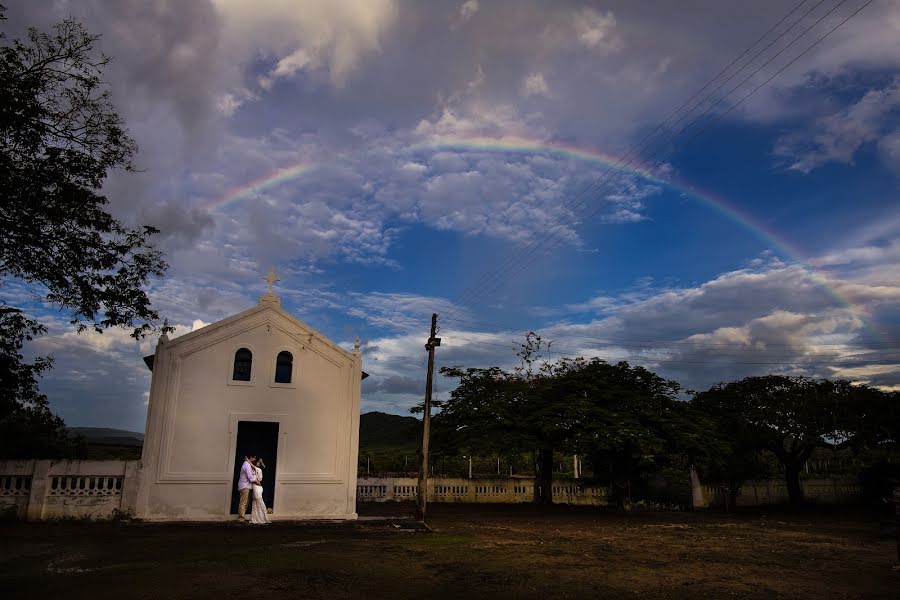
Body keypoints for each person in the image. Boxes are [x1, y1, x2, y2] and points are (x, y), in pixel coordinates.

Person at [250, 458, 272, 525]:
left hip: (258, 487)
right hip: (255, 486)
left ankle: (263, 517)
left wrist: (248, 460)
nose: (258, 463)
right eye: (257, 462)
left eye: (259, 463)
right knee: (255, 501)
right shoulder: (253, 470)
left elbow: (259, 479)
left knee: (259, 500)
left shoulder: (259, 470)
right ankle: (255, 518)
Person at [236, 454, 257, 522]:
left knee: (245, 502)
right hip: (244, 486)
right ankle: (241, 518)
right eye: (254, 458)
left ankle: (242, 517)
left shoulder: (247, 464)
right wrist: (257, 481)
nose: (254, 460)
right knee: (243, 502)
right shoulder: (246, 465)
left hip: (246, 486)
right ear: (250, 457)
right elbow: (250, 477)